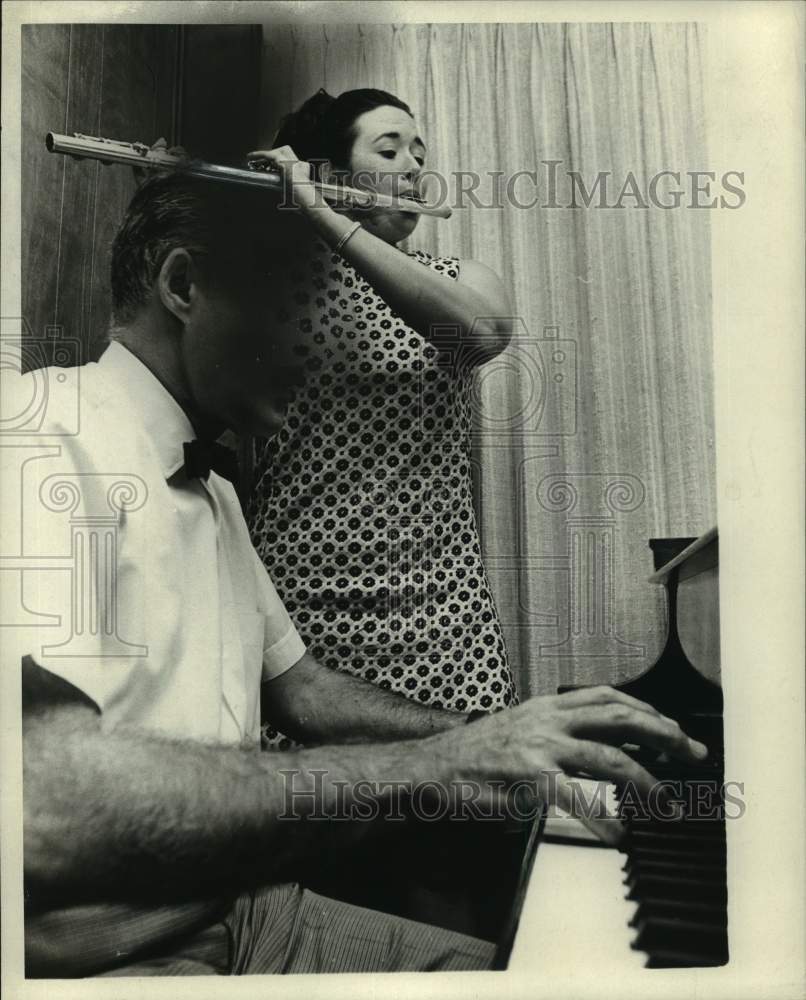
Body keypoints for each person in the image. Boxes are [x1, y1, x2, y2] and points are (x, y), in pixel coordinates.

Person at [19, 169, 710, 978]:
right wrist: (436, 768)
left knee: (573, 977)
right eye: (301, 302)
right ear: (183, 285)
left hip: (246, 911)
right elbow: (40, 801)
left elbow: (307, 692)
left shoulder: (215, 494)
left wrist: (498, 735)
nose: (325, 341)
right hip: (109, 961)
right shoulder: (40, 441)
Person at [246, 89, 519, 747]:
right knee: (304, 833)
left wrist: (325, 213)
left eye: (419, 154)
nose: (412, 168)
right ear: (335, 174)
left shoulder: (460, 276)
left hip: (437, 613)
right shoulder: (274, 288)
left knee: (456, 827)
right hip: (299, 615)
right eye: (389, 149)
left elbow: (479, 335)